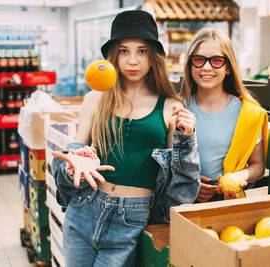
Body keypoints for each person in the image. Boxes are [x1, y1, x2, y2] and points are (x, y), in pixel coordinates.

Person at [51, 10, 200, 267]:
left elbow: (181, 185)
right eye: (124, 51)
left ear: (153, 57)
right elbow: (70, 158)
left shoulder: (170, 107)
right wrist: (73, 161)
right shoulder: (95, 99)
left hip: (131, 219)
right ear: (113, 57)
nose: (133, 60)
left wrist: (187, 140)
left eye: (141, 51)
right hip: (84, 209)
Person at [180, 28, 268, 202]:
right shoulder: (177, 107)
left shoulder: (248, 113)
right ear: (190, 65)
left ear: (228, 67)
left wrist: (238, 177)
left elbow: (258, 166)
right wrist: (188, 185)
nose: (206, 67)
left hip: (228, 201)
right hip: (182, 203)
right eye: (198, 60)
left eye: (216, 60)